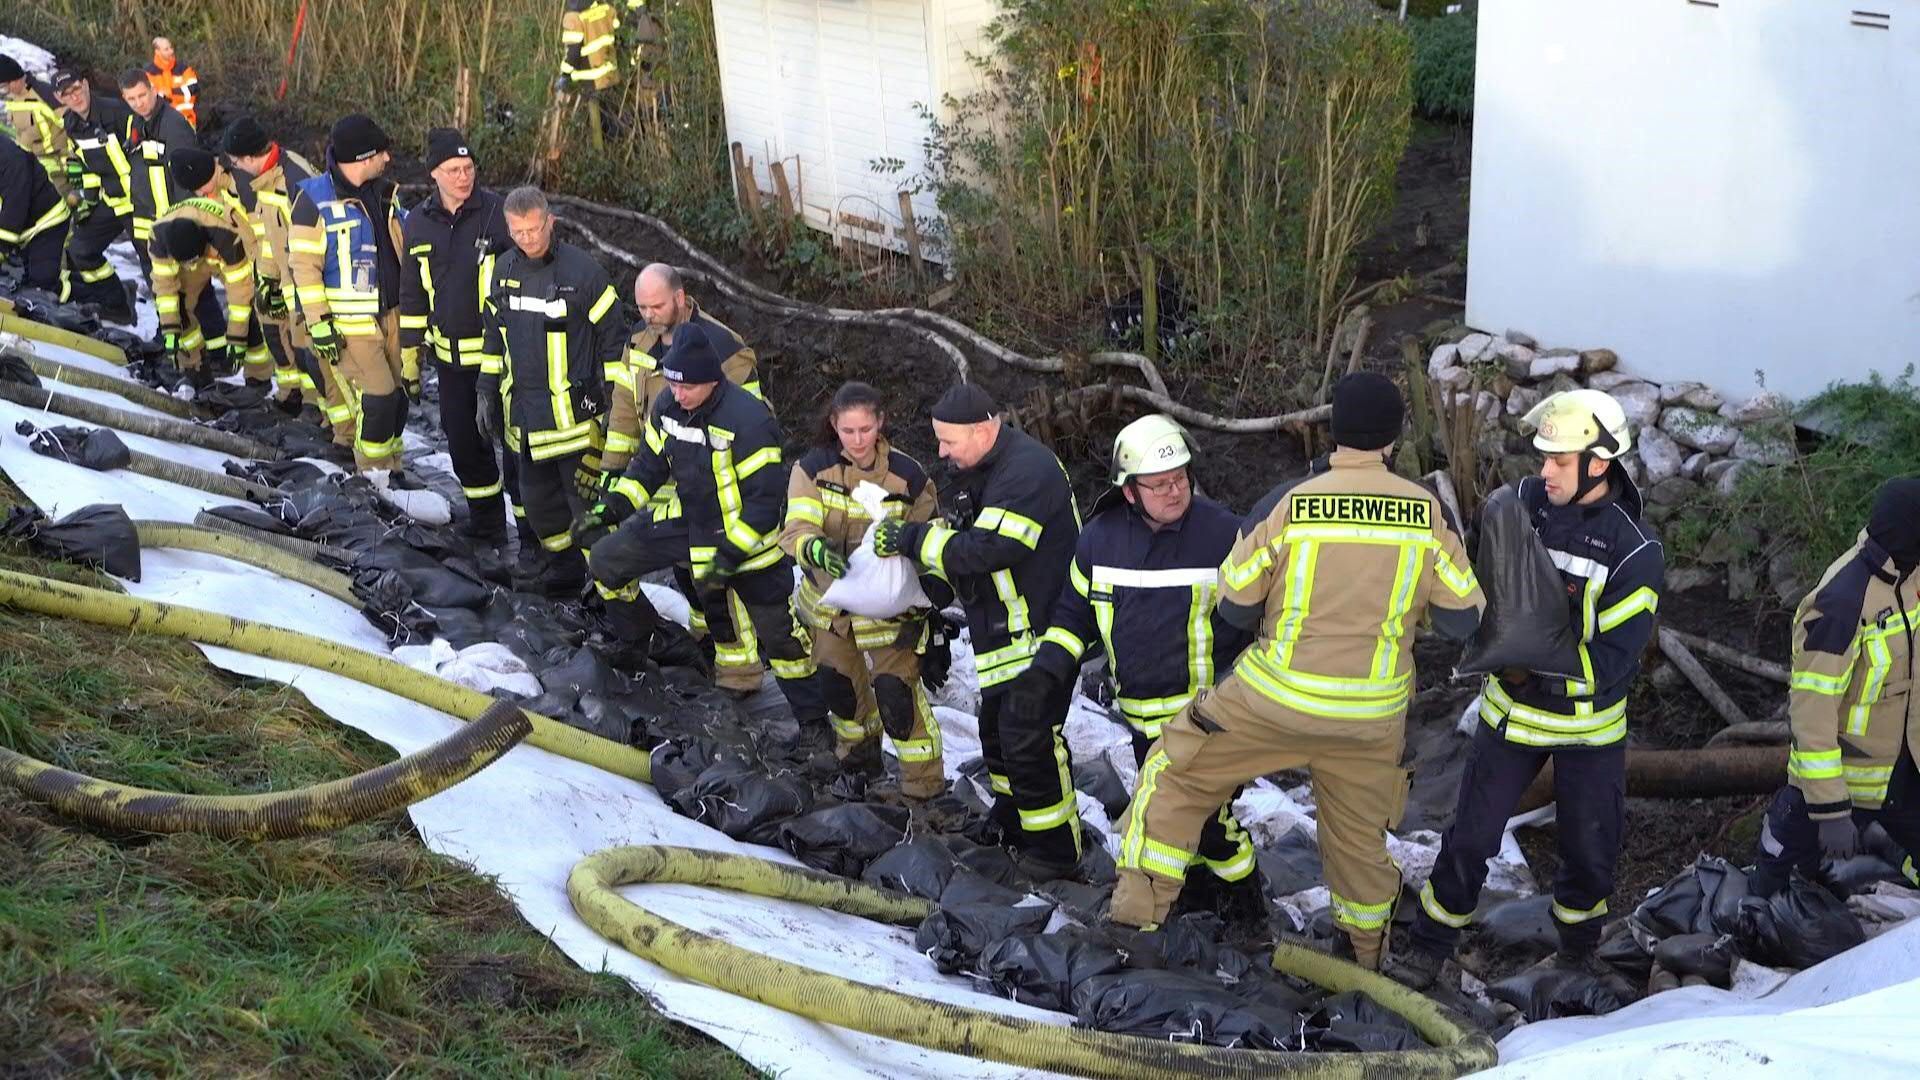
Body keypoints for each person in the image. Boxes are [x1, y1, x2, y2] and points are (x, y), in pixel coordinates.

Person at [1109, 374, 1485, 971]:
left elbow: (1235, 602)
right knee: (1358, 839)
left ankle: (1135, 924)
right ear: (1393, 439)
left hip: (1275, 699)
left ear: (1333, 432)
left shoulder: (1293, 503)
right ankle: (1363, 959)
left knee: (1174, 773)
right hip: (1371, 716)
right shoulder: (1427, 513)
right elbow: (1464, 618)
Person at [1392, 388, 1664, 989]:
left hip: (1588, 731)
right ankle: (1429, 948)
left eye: (1559, 461)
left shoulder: (1635, 552)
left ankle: (1576, 955)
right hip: (1510, 718)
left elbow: (1614, 663)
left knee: (1589, 850)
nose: (1544, 472)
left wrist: (1529, 671)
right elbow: (1484, 581)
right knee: (1469, 838)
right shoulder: (1523, 504)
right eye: (1543, 458)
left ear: (1599, 464)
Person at [1012, 414, 1262, 915]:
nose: (1175, 491)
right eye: (1160, 484)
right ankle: (1198, 897)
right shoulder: (1099, 541)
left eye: (1181, 478)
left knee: (1209, 822)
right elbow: (1074, 614)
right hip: (1142, 719)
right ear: (1129, 491)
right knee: (1180, 824)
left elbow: (1260, 620)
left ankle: (1247, 909)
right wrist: (1048, 669)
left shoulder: (1225, 536)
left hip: (1208, 719)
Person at [580, 321, 829, 751]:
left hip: (748, 543)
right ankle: (641, 640)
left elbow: (765, 504)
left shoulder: (750, 420)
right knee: (605, 559)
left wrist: (729, 554)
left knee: (781, 639)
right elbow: (647, 469)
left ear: (712, 380)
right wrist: (613, 507)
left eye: (686, 387)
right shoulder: (667, 407)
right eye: (673, 384)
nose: (677, 394)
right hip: (692, 524)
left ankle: (814, 726)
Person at [872, 383, 1083, 878]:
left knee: (1028, 734)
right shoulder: (981, 470)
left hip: (1044, 629)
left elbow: (990, 549)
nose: (941, 451)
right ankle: (1013, 820)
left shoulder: (1028, 471)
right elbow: (965, 540)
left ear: (984, 430)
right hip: (1004, 627)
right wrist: (930, 588)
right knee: (996, 733)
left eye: (948, 441)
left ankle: (1056, 851)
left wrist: (912, 540)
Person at [780, 381, 952, 795]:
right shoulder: (812, 470)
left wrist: (933, 591)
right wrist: (815, 549)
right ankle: (859, 763)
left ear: (880, 423)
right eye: (847, 431)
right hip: (831, 608)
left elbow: (934, 538)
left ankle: (925, 788)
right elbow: (797, 527)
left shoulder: (907, 476)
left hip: (890, 613)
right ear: (833, 426)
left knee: (897, 698)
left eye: (865, 430)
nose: (857, 440)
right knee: (840, 690)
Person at [1751, 478, 1920, 896]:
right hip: (1839, 783)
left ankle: (1885, 846)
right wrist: (1830, 810)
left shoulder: (1909, 576)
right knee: (1770, 892)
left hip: (1903, 772)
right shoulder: (1842, 602)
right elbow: (1812, 714)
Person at [604, 262, 765, 692]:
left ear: (680, 297)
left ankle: (736, 666)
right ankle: (700, 641)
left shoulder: (724, 347)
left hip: (710, 486)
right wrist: (613, 469)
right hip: (659, 476)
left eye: (656, 306)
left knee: (715, 579)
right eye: (642, 307)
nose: (649, 315)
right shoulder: (639, 341)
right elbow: (624, 406)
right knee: (682, 570)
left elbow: (752, 423)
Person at [477, 185, 623, 592]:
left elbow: (615, 342)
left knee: (588, 511)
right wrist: (485, 390)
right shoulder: (502, 271)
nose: (528, 239)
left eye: (535, 229)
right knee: (540, 507)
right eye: (518, 232)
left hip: (575, 423)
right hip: (527, 422)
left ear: (550, 222)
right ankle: (565, 571)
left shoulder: (584, 274)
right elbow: (494, 337)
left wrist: (616, 407)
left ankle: (611, 591)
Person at [399, 128, 516, 544]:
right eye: (454, 170)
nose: (464, 177)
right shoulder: (418, 222)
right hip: (450, 361)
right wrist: (410, 356)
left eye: (468, 168)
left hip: (501, 358)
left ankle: (534, 535)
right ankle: (487, 523)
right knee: (463, 443)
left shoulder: (497, 214)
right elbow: (412, 293)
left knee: (514, 444)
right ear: (434, 173)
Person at [290, 114, 409, 475]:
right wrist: (319, 323)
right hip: (349, 325)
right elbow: (304, 268)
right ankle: (374, 473)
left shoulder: (385, 193)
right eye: (380, 153)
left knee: (398, 399)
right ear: (361, 158)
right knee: (379, 398)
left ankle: (393, 468)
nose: (387, 158)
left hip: (392, 315)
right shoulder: (313, 200)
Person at [224, 116, 327, 418]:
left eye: (236, 162)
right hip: (291, 282)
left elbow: (311, 240)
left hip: (309, 284)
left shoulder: (291, 180)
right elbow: (271, 236)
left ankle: (327, 418)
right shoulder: (270, 177)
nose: (237, 169)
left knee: (315, 357)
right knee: (301, 351)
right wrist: (268, 279)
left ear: (248, 157)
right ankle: (314, 409)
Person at [147, 147, 253, 389]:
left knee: (252, 306)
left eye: (194, 261)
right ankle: (196, 367)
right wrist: (170, 329)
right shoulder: (158, 238)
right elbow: (164, 289)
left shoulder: (225, 235)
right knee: (180, 307)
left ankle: (258, 376)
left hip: (221, 252)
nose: (192, 266)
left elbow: (241, 293)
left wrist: (237, 338)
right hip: (190, 247)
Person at [51, 69, 136, 321]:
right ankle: (117, 305)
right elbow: (87, 166)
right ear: (59, 98)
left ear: (86, 85)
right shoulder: (72, 124)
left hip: (140, 202)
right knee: (81, 249)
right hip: (112, 201)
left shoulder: (117, 112)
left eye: (77, 88)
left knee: (154, 267)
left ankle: (168, 331)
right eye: (67, 94)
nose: (74, 97)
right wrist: (88, 201)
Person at [118, 68, 196, 271]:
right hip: (145, 217)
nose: (138, 103)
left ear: (153, 90)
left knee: (188, 281)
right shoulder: (135, 122)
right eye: (131, 99)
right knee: (154, 275)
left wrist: (184, 223)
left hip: (172, 220)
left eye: (142, 95)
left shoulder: (174, 125)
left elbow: (186, 180)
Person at [0, 136, 71, 294]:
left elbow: (15, 207)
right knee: (26, 282)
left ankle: (94, 297)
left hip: (47, 223)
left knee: (42, 285)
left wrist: (2, 247)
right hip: (22, 227)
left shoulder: (10, 160)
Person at [2, 55, 69, 189]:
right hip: (37, 163)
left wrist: (73, 165)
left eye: (3, 87)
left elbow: (72, 126)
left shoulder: (44, 94)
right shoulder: (11, 99)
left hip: (61, 161)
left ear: (14, 81)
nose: (3, 92)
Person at [144, 37, 200, 129]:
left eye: (171, 48)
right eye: (166, 49)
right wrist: (180, 94)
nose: (171, 51)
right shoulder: (148, 74)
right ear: (157, 52)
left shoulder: (184, 69)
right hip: (162, 124)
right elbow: (152, 99)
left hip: (187, 120)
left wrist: (169, 92)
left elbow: (194, 89)